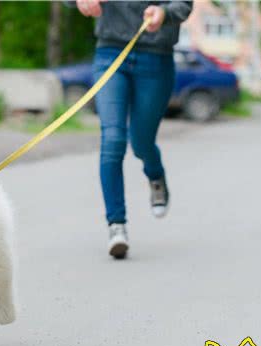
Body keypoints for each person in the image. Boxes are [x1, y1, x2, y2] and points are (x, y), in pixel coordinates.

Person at [77, 0, 193, 259]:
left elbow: (184, 4)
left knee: (141, 142)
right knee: (113, 138)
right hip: (110, 53)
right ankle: (116, 224)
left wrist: (165, 13)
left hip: (156, 58)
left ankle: (156, 176)